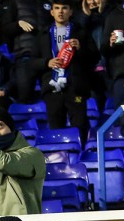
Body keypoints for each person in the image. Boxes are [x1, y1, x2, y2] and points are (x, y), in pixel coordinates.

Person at [34, 0, 98, 147]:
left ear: (71, 12)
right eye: (57, 8)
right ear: (51, 12)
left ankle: (82, 155)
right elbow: (31, 63)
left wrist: (81, 48)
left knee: (80, 124)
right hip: (52, 88)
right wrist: (46, 63)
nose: (60, 11)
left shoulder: (81, 32)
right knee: (56, 128)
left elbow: (95, 57)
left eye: (64, 8)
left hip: (75, 88)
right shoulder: (43, 34)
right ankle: (59, 160)